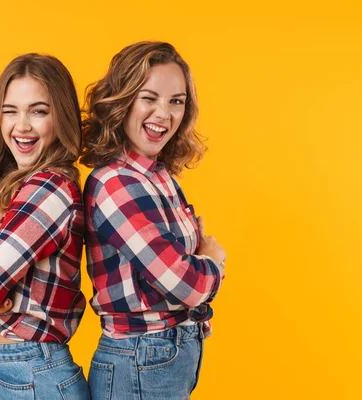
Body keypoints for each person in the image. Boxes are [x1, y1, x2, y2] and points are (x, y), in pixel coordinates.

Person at [81, 41, 227, 400]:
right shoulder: (115, 183)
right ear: (122, 101)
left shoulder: (158, 176)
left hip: (162, 355)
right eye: (149, 97)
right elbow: (185, 283)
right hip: (140, 356)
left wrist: (195, 265)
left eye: (176, 101)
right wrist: (214, 262)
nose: (164, 113)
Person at [0, 53, 90, 400]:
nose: (21, 125)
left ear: (61, 118)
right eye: (10, 111)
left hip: (29, 372)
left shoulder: (48, 189)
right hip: (14, 372)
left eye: (38, 111)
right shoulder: (18, 193)